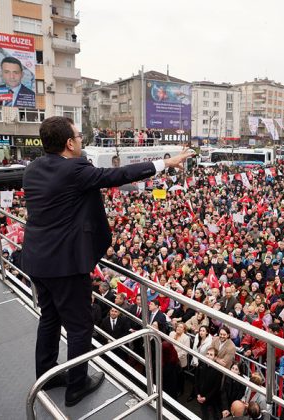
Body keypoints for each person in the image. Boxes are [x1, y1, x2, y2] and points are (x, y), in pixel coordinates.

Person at [21, 116, 192, 407]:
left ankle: (47, 375)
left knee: (49, 318)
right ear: (69, 143)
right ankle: (77, 386)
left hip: (37, 260)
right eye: (78, 136)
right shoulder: (75, 169)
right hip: (66, 265)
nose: (81, 140)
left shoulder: (33, 168)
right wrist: (166, 162)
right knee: (80, 327)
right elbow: (119, 175)